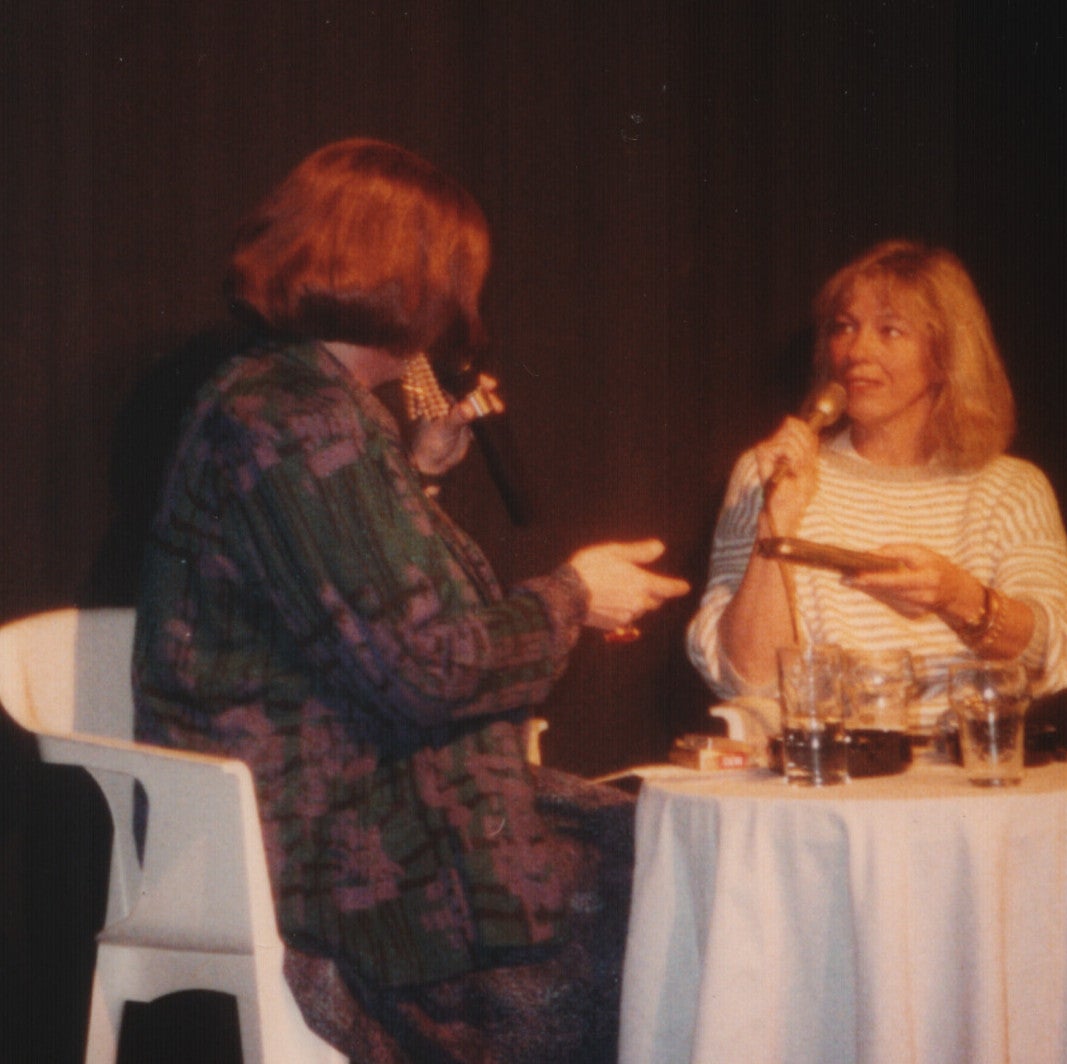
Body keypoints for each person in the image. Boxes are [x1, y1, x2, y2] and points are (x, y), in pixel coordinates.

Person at [132, 138, 689, 1063]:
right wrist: (574, 595)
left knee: (657, 839)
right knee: (672, 892)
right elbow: (427, 669)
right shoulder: (301, 416)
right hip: (321, 840)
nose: (461, 306)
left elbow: (354, 612)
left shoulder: (304, 399)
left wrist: (419, 475)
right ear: (410, 280)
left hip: (346, 794)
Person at [688, 239, 1067, 738]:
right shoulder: (770, 473)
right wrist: (776, 519)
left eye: (889, 330)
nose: (856, 351)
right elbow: (746, 677)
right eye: (844, 327)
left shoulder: (1010, 488)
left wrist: (958, 598)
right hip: (840, 759)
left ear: (945, 356)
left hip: (978, 754)